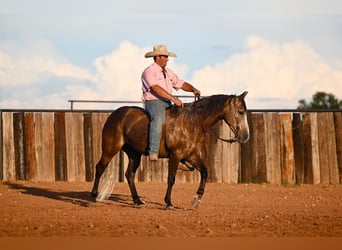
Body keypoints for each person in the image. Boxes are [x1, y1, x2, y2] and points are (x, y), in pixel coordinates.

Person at [142, 44, 201, 161]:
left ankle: (181, 149)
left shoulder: (169, 72)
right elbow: (155, 88)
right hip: (153, 102)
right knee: (158, 119)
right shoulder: (149, 71)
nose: (167, 59)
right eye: (165, 56)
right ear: (157, 57)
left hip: (167, 102)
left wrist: (193, 89)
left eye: (167, 56)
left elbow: (180, 83)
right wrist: (174, 99)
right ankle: (153, 151)